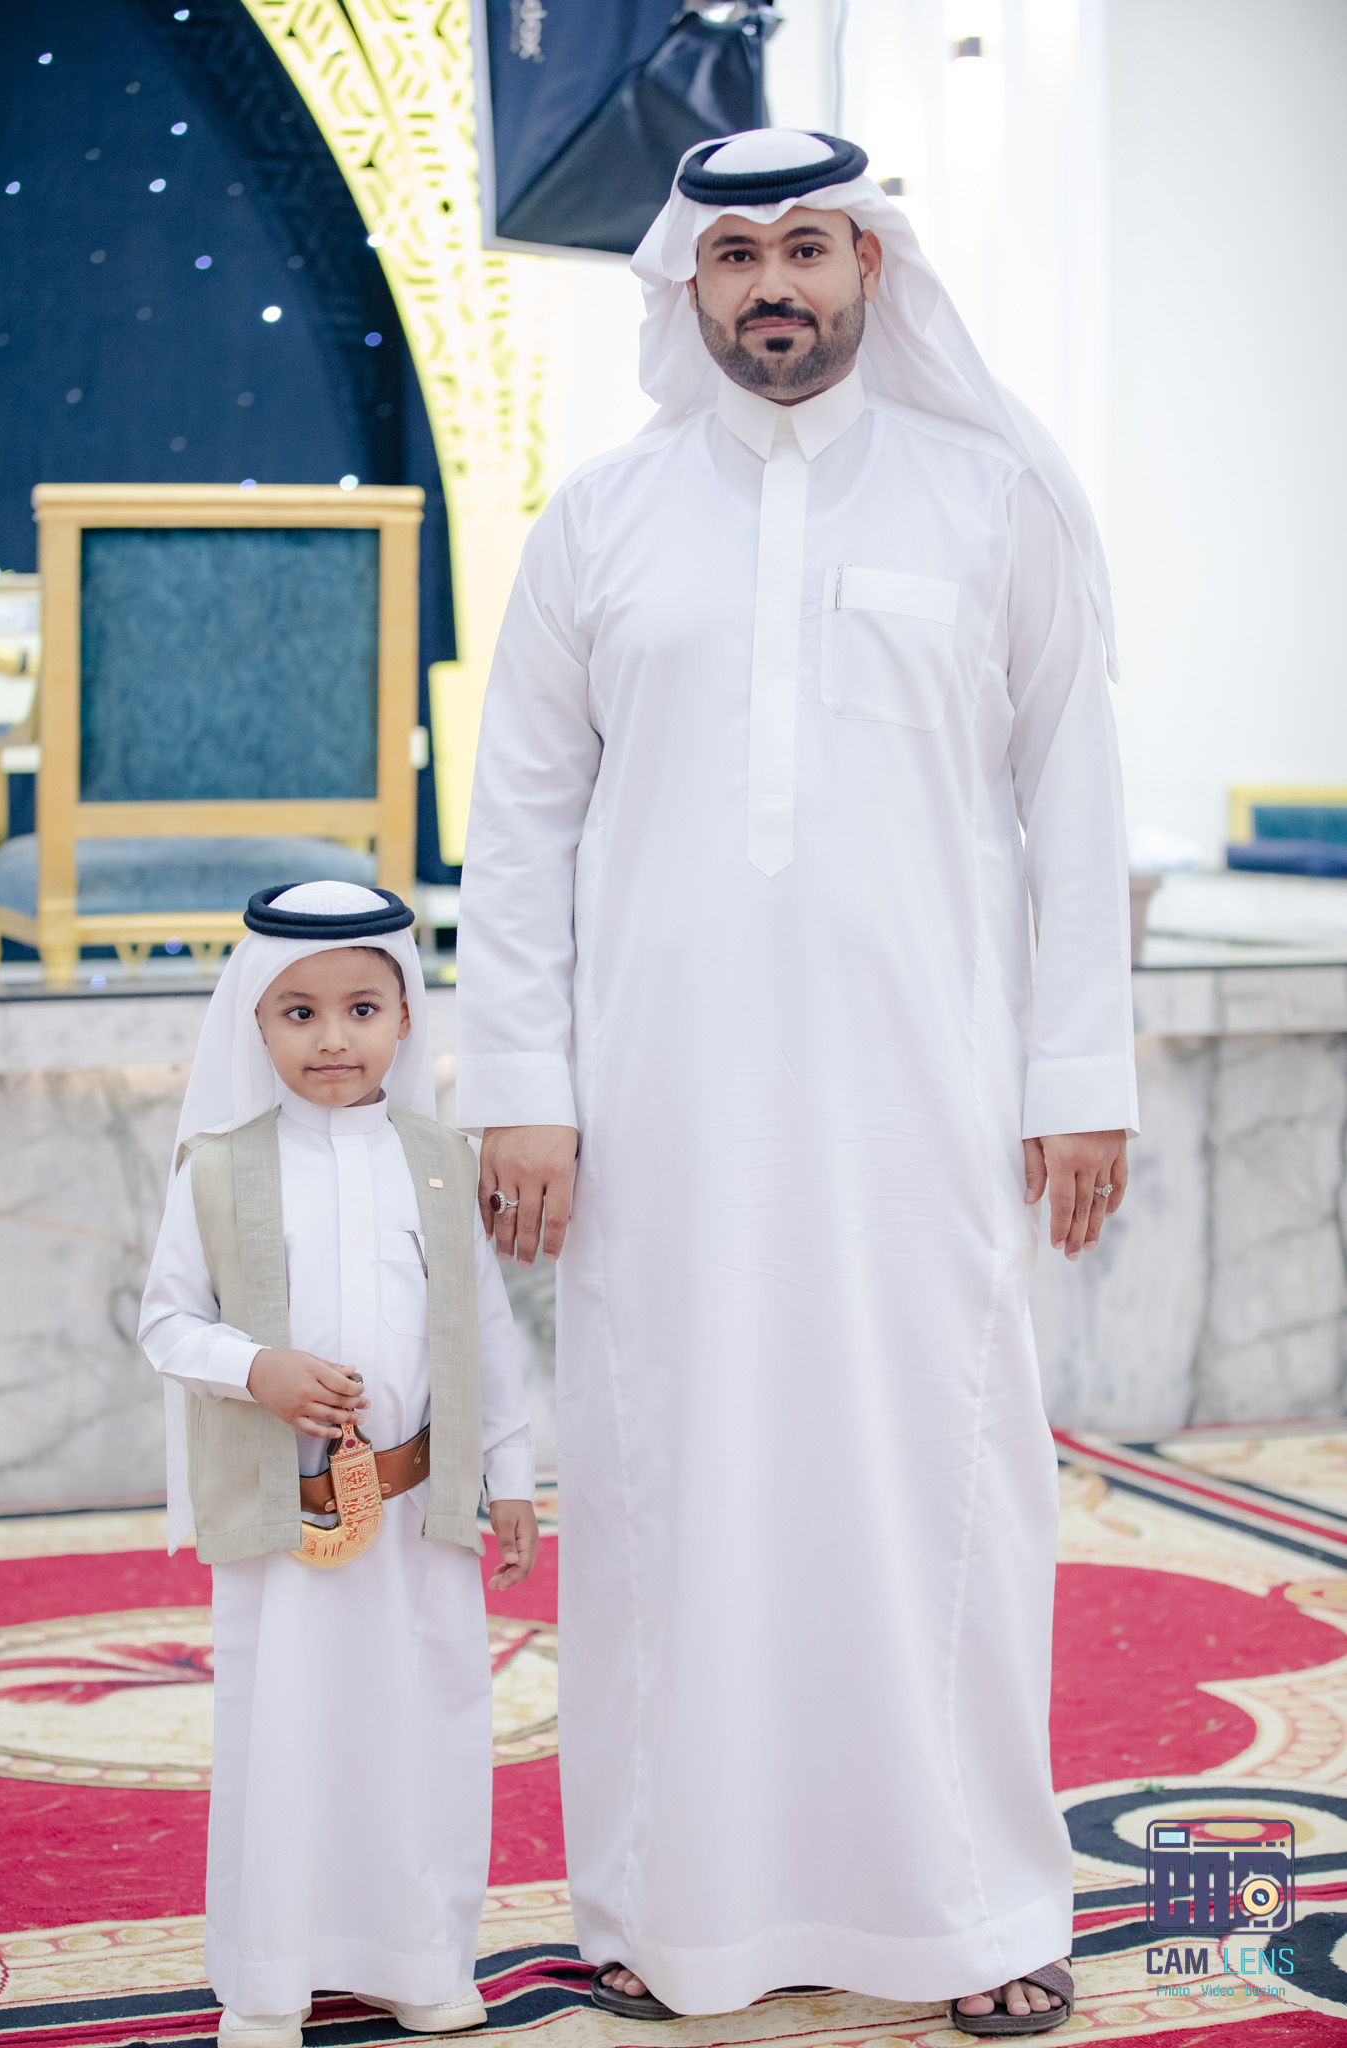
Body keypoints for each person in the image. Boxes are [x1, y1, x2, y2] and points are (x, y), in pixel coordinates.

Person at [456, 128, 1136, 2038]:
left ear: (871, 268)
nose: (774, 282)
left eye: (809, 247)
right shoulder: (601, 519)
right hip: (658, 1111)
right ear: (688, 279)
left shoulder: (994, 499)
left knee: (946, 1483)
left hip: (927, 1098)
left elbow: (1072, 795)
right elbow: (520, 823)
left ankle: (977, 1906)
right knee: (669, 1484)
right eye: (738, 251)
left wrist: (1080, 1071)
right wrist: (520, 1081)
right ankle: (673, 1906)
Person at [139, 879, 537, 2048]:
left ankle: (419, 1957)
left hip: (417, 1515)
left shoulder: (439, 1162)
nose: (333, 1038)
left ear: (406, 1016)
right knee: (286, 1736)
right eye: (298, 1011)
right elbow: (167, 1323)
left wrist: (512, 1472)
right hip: (288, 1521)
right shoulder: (217, 1166)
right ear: (254, 1021)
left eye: (362, 1008)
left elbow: (488, 1332)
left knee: (424, 1731)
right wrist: (256, 1366)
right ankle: (269, 1977)